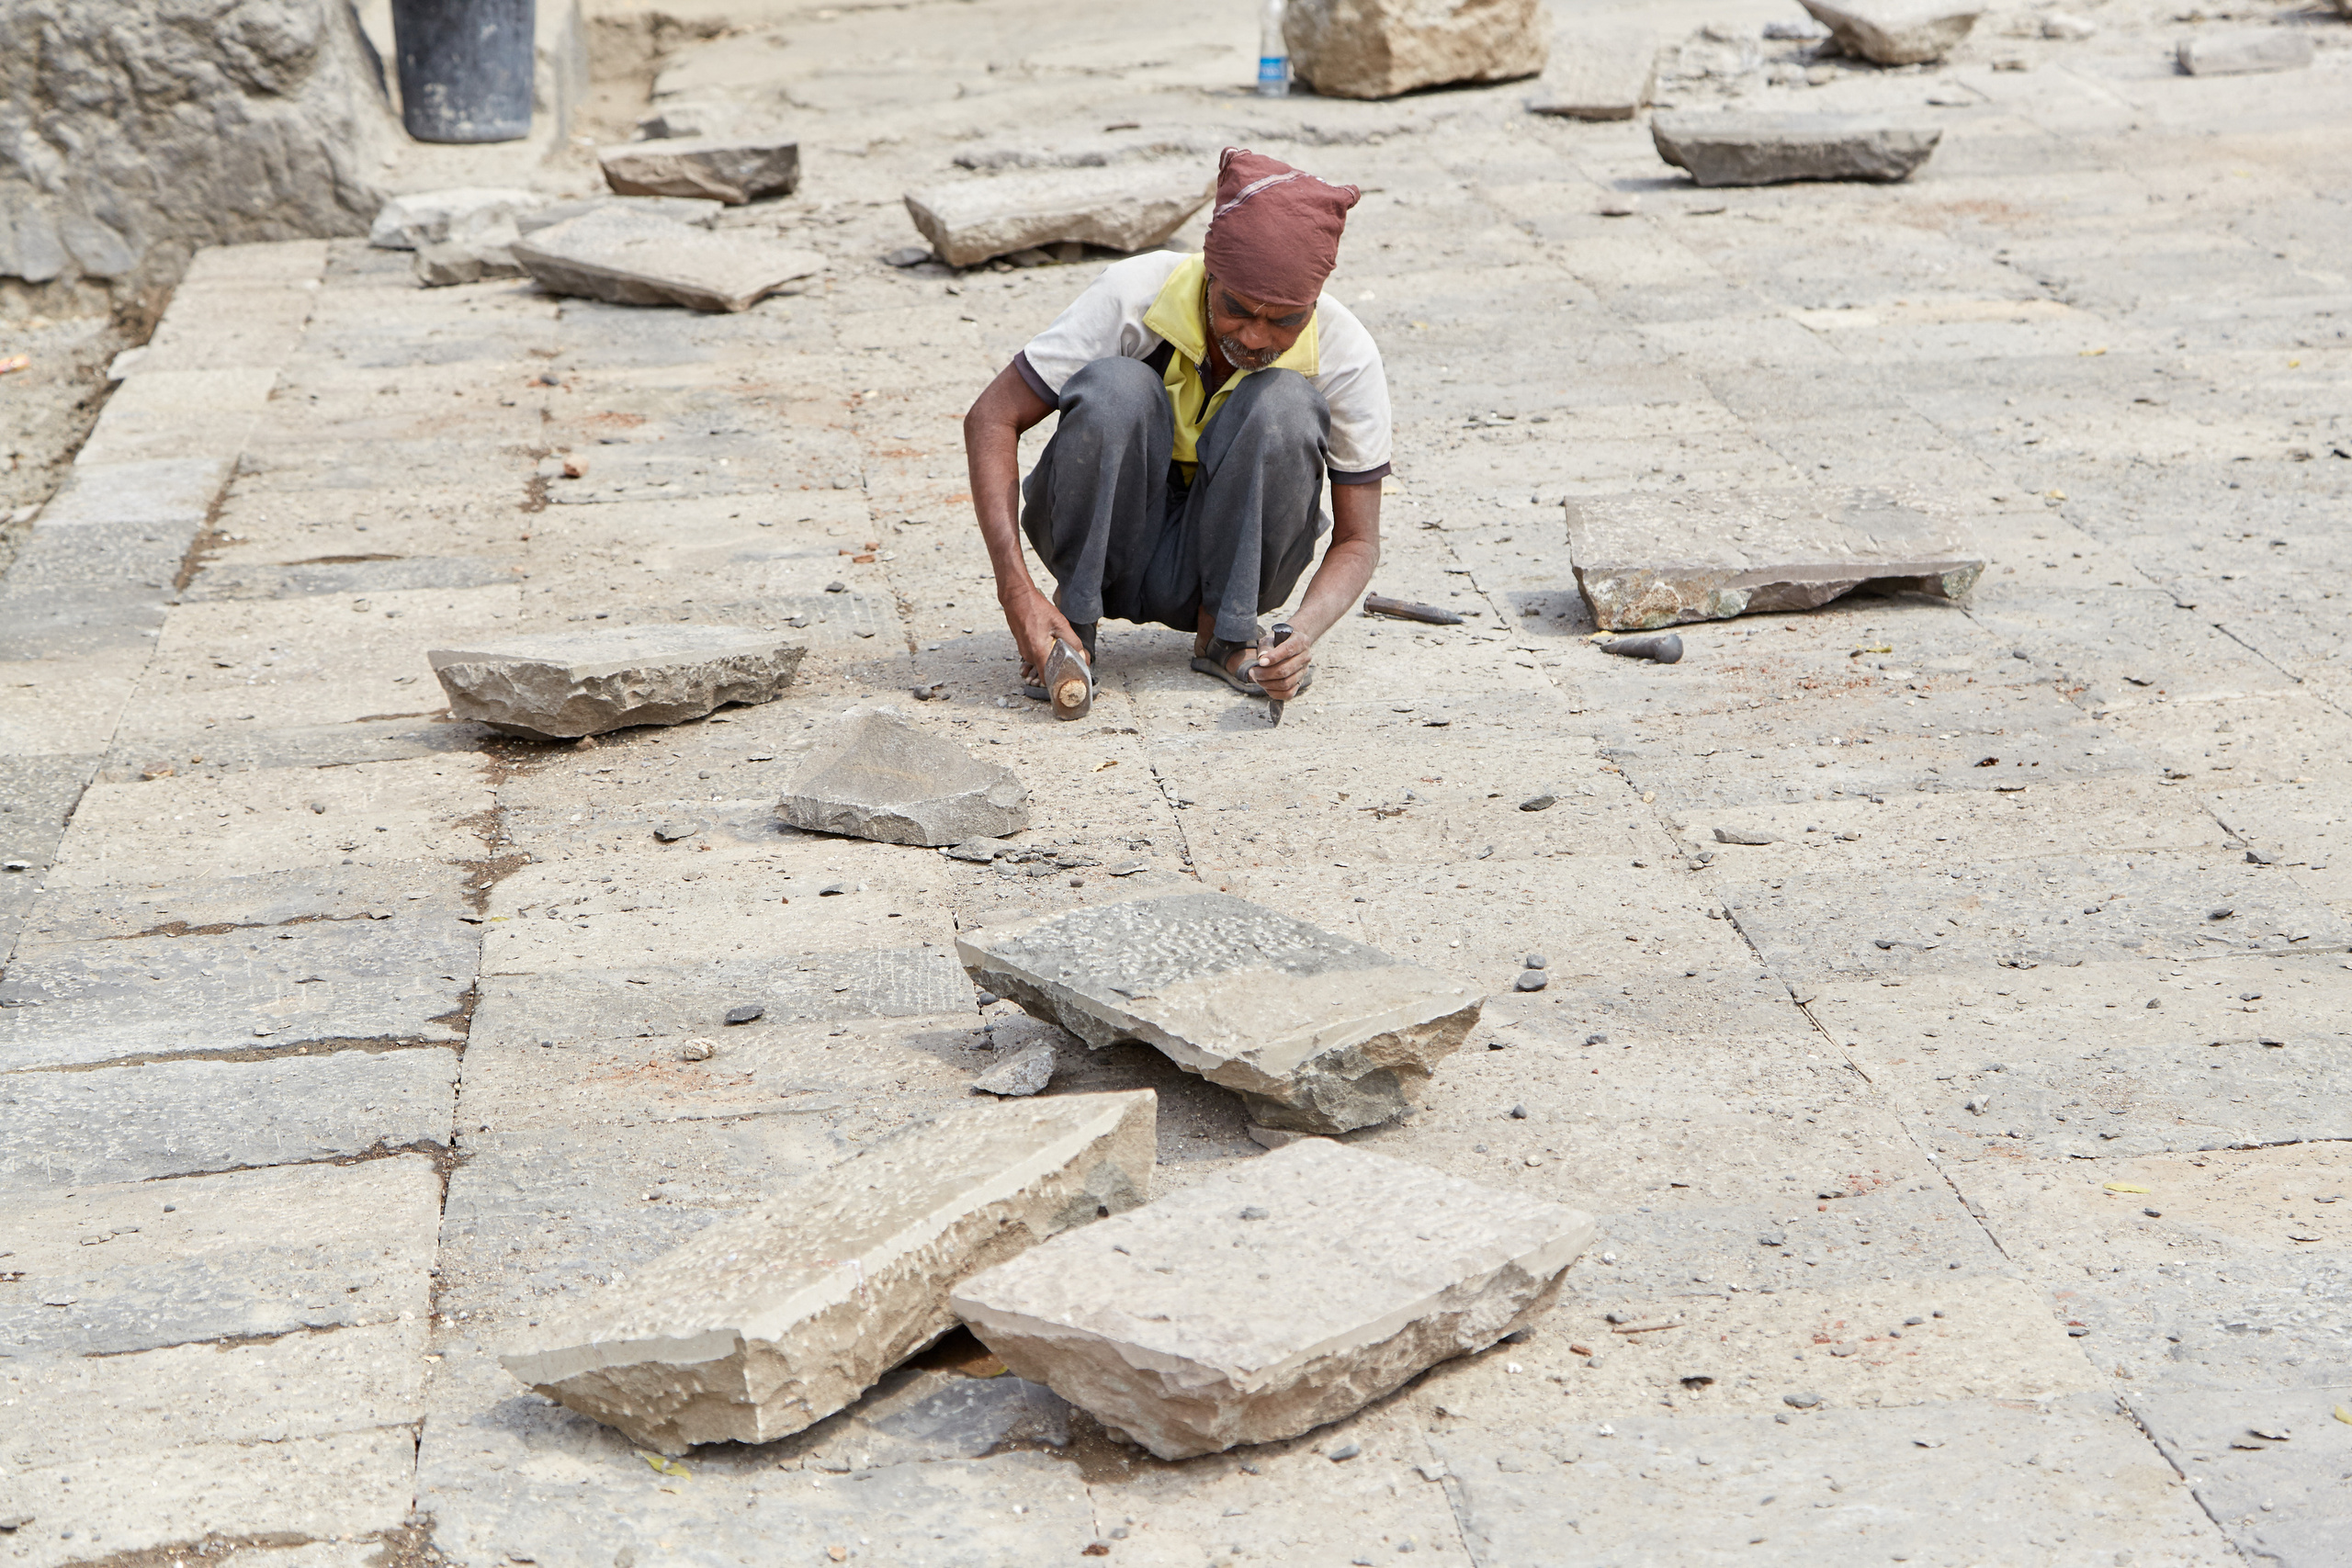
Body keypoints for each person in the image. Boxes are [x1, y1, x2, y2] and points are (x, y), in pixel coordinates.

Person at [960, 147, 1390, 711]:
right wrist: (1017, 591)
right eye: (1237, 308)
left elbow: (1358, 540)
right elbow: (991, 417)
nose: (1256, 337)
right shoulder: (1135, 293)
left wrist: (1300, 635)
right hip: (1112, 544)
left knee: (1284, 404)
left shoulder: (1345, 351)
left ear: (1311, 305)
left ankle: (1227, 633)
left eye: (1285, 320)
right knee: (1118, 388)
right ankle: (1072, 625)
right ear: (1210, 272)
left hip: (1227, 571)